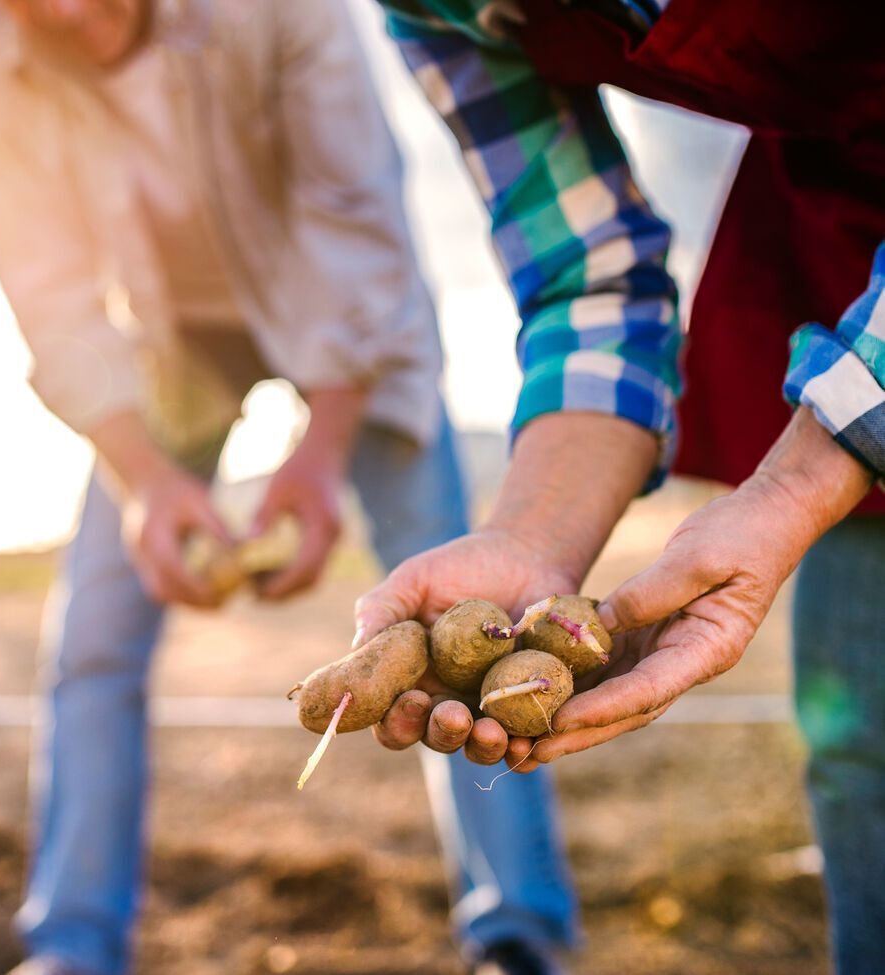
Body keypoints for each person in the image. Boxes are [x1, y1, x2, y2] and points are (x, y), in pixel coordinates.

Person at [0, 1, 581, 973]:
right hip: (172, 337)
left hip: (353, 324)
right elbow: (47, 282)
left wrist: (320, 454)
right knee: (94, 639)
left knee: (461, 616)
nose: (67, 12)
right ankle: (72, 945)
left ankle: (517, 929)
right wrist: (147, 481)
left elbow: (355, 223)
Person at [348, 2, 885, 972]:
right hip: (855, 272)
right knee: (868, 758)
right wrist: (529, 540)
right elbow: (588, 277)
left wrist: (794, 487)